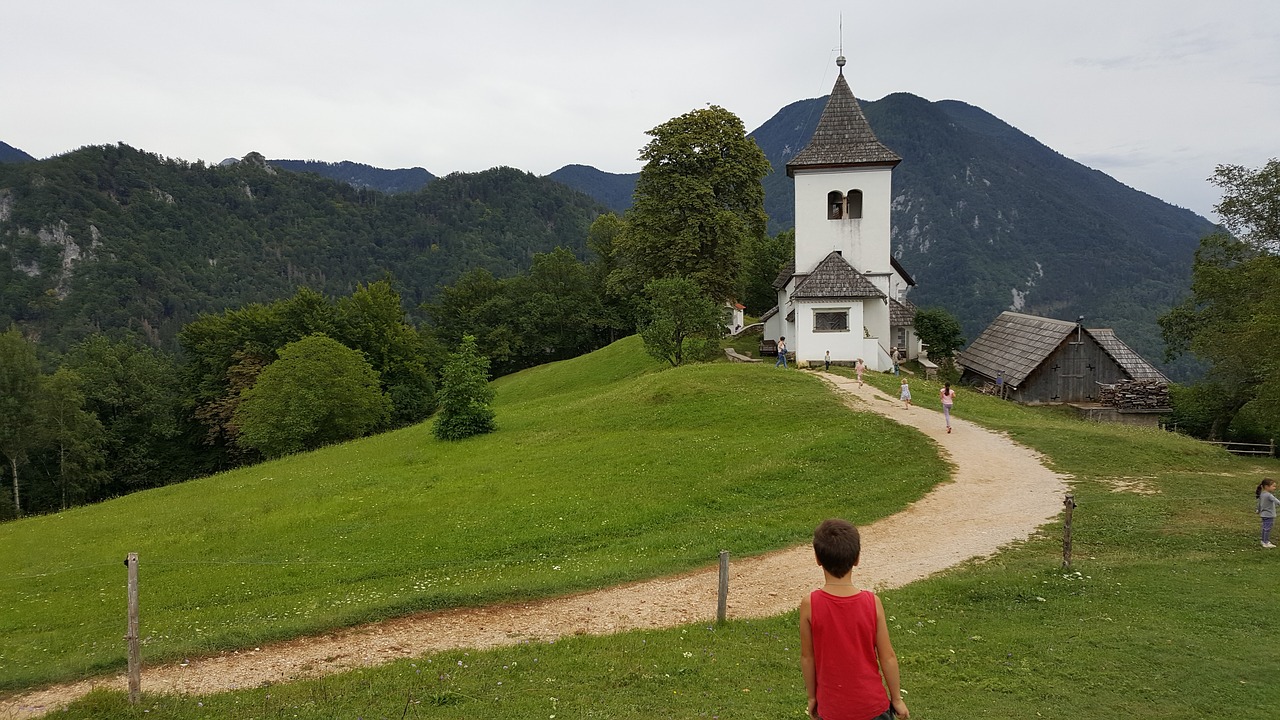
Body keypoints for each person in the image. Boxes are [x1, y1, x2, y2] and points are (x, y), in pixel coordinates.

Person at [800, 519, 910, 720]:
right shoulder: (872, 602)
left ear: (817, 558)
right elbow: (888, 657)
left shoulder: (810, 604)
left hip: (832, 708)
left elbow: (808, 657)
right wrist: (896, 699)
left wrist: (812, 697)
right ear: (857, 558)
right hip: (873, 707)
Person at [1257, 478, 1277, 548]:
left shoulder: (1262, 494)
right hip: (1269, 515)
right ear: (1266, 486)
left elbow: (1259, 504)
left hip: (1264, 515)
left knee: (1264, 528)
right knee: (1267, 528)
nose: (1275, 488)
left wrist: (1258, 510)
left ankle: (1263, 540)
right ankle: (1266, 542)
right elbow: (1276, 501)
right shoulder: (1269, 495)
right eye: (1273, 486)